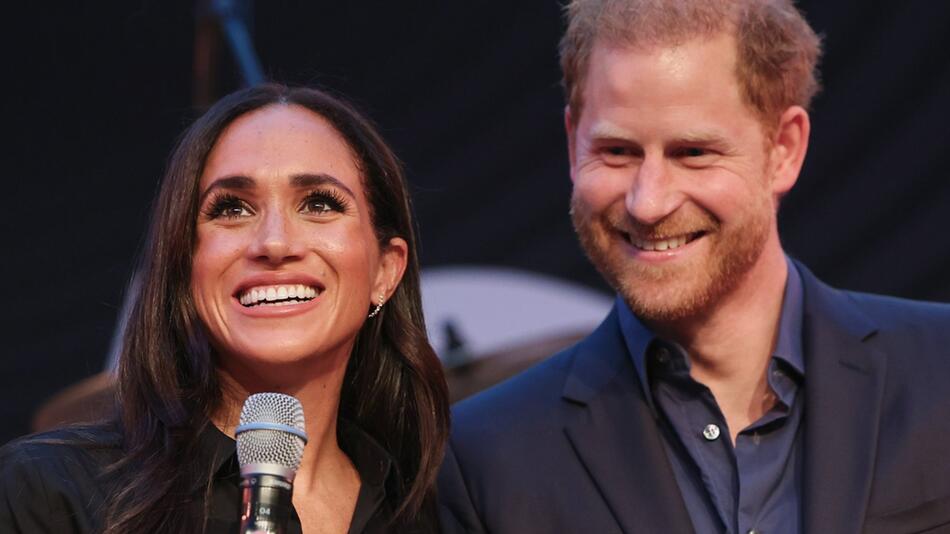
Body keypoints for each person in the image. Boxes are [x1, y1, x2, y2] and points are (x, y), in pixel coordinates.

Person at [438, 1, 950, 533]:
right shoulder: (486, 461)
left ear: (784, 149)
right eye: (617, 151)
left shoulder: (940, 373)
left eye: (693, 152)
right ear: (573, 144)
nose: (648, 202)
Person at [0, 85, 450, 533]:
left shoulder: (437, 514)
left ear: (385, 271)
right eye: (232, 208)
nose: (274, 242)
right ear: (185, 265)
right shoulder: (51, 495)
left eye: (319, 203)